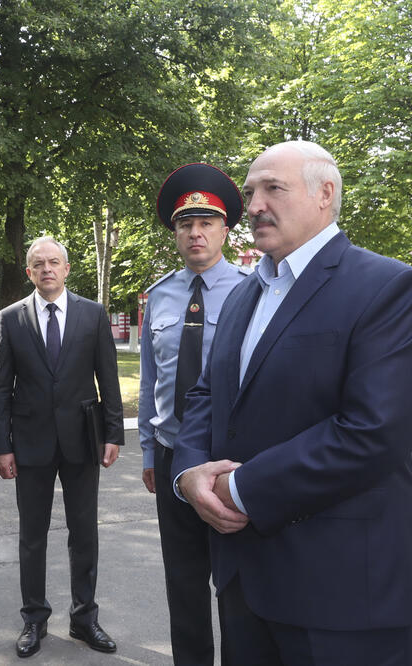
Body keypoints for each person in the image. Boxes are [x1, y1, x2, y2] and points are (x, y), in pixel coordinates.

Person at [172, 141, 412, 665]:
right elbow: (207, 392)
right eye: (250, 192)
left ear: (325, 194)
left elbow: (373, 431)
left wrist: (239, 489)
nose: (253, 206)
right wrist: (188, 474)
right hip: (246, 582)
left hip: (342, 592)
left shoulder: (388, 287)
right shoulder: (248, 292)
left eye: (273, 188)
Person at [0, 236, 125, 659]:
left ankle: (85, 618)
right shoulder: (11, 318)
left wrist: (114, 433)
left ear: (67, 269)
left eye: (54, 262)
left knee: (83, 533)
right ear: (29, 272)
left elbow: (108, 377)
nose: (47, 269)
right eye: (38, 264)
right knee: (32, 535)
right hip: (29, 443)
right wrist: (2, 445)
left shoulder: (93, 314)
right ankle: (34, 618)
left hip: (83, 440)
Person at [139, 163, 246, 665]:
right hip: (169, 454)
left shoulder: (253, 291)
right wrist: (146, 449)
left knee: (237, 579)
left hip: (229, 456)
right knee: (182, 579)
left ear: (225, 230)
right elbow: (150, 382)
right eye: (185, 225)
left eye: (206, 223)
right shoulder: (158, 296)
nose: (195, 233)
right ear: (176, 234)